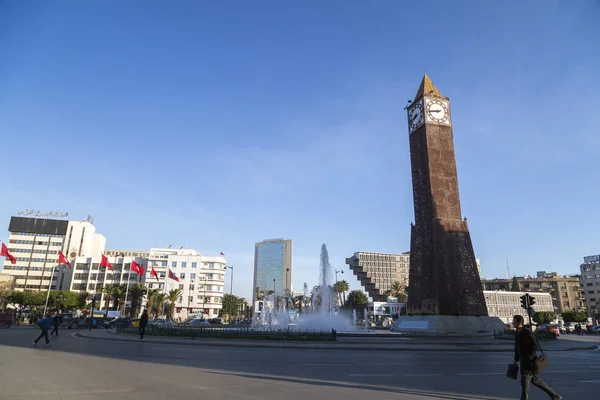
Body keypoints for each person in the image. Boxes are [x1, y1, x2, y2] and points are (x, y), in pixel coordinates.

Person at [512, 315, 561, 400]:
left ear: (520, 323)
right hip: (523, 361)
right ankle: (555, 396)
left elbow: (535, 346)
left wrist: (528, 356)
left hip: (529, 362)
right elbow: (517, 347)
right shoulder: (517, 332)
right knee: (535, 381)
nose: (513, 323)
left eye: (514, 321)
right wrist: (516, 360)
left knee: (524, 382)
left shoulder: (527, 332)